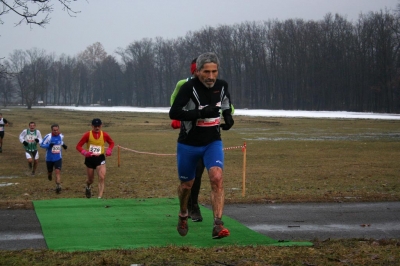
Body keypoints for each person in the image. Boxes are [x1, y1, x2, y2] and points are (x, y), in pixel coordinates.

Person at [169, 52, 235, 239]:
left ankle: (218, 224)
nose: (211, 76)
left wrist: (228, 116)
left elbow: (225, 102)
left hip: (212, 142)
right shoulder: (188, 87)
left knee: (216, 177)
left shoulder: (222, 85)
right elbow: (174, 113)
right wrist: (200, 113)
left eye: (214, 71)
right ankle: (183, 213)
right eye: (207, 72)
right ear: (198, 71)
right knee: (187, 185)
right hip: (188, 144)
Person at [170, 58, 205, 222]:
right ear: (194, 71)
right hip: (188, 136)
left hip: (208, 136)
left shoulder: (214, 86)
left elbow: (229, 106)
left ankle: (194, 206)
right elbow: (174, 103)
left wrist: (221, 114)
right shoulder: (183, 84)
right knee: (188, 178)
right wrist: (180, 118)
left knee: (198, 173)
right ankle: (186, 206)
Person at [76, 118, 115, 199]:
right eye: (95, 126)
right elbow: (78, 146)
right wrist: (85, 153)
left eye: (98, 126)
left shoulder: (104, 134)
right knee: (90, 180)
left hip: (100, 158)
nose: (97, 128)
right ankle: (88, 186)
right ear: (92, 126)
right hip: (90, 158)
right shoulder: (87, 135)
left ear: (101, 125)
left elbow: (111, 143)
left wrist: (109, 150)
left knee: (101, 177)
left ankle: (99, 198)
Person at [40, 124, 67, 194]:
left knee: (57, 171)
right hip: (49, 158)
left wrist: (64, 145)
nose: (56, 131)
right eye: (54, 130)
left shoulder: (61, 135)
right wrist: (49, 145)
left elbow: (60, 141)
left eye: (57, 130)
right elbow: (41, 144)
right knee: (50, 171)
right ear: (52, 130)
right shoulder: (48, 136)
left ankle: (58, 186)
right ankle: (49, 174)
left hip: (58, 157)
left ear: (59, 129)